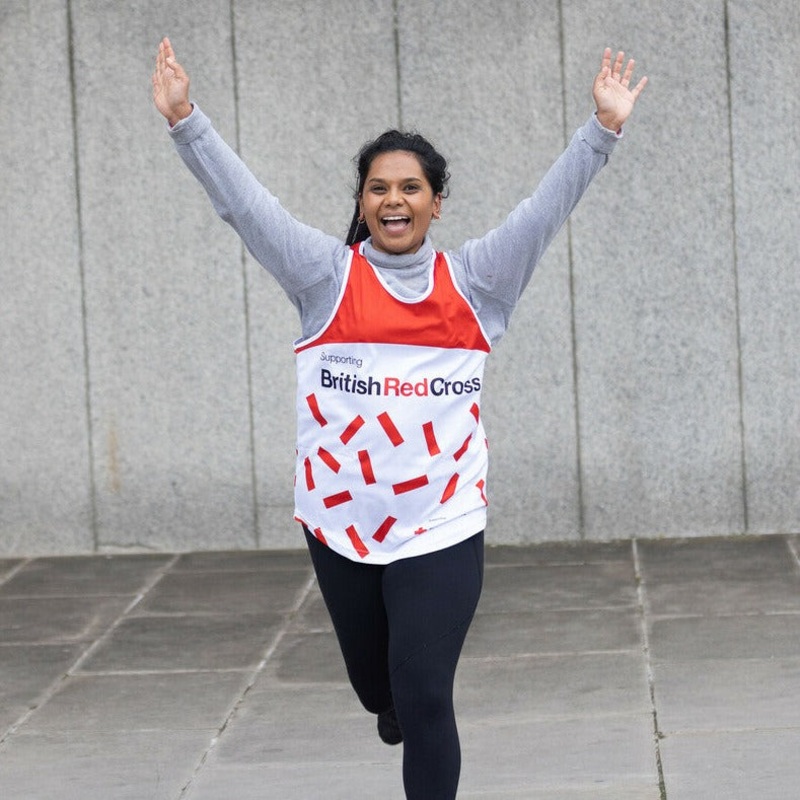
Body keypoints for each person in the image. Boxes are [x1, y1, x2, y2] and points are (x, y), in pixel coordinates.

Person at [152, 37, 646, 800]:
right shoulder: (324, 277)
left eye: (411, 188)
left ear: (435, 202)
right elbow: (245, 206)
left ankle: (408, 713)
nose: (394, 200)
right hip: (339, 523)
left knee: (424, 694)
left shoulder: (478, 282)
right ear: (362, 202)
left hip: (440, 523)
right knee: (378, 690)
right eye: (379, 188)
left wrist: (601, 131)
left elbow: (545, 211)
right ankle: (387, 703)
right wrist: (186, 118)